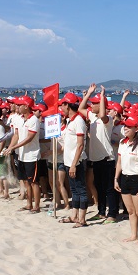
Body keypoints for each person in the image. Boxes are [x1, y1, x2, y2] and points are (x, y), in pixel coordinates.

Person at [79, 84, 117, 221]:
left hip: (107, 158)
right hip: (96, 158)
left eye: (94, 103)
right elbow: (80, 108)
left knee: (109, 188)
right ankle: (101, 211)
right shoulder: (93, 117)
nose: (91, 105)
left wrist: (101, 97)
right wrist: (88, 94)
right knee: (99, 187)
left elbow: (102, 115)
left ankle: (112, 214)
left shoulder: (108, 119)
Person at [114, 115, 138, 244]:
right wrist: (116, 178)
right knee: (130, 211)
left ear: (136, 128)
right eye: (125, 126)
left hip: (137, 179)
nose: (125, 128)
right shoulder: (122, 142)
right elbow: (119, 163)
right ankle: (134, 235)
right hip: (124, 178)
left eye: (129, 126)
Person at [4, 96, 41, 212]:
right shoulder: (19, 119)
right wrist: (10, 147)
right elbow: (16, 135)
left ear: (26, 106)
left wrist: (14, 147)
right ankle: (29, 204)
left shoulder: (33, 120)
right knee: (25, 181)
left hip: (32, 155)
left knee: (33, 182)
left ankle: (36, 206)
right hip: (21, 155)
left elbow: (29, 138)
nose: (18, 107)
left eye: (20, 105)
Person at [58, 92, 89, 227]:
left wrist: (74, 164)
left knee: (81, 189)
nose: (61, 108)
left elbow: (80, 145)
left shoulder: (79, 121)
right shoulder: (70, 121)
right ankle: (74, 216)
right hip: (68, 160)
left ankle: (82, 219)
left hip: (77, 162)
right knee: (74, 189)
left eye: (62, 105)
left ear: (68, 105)